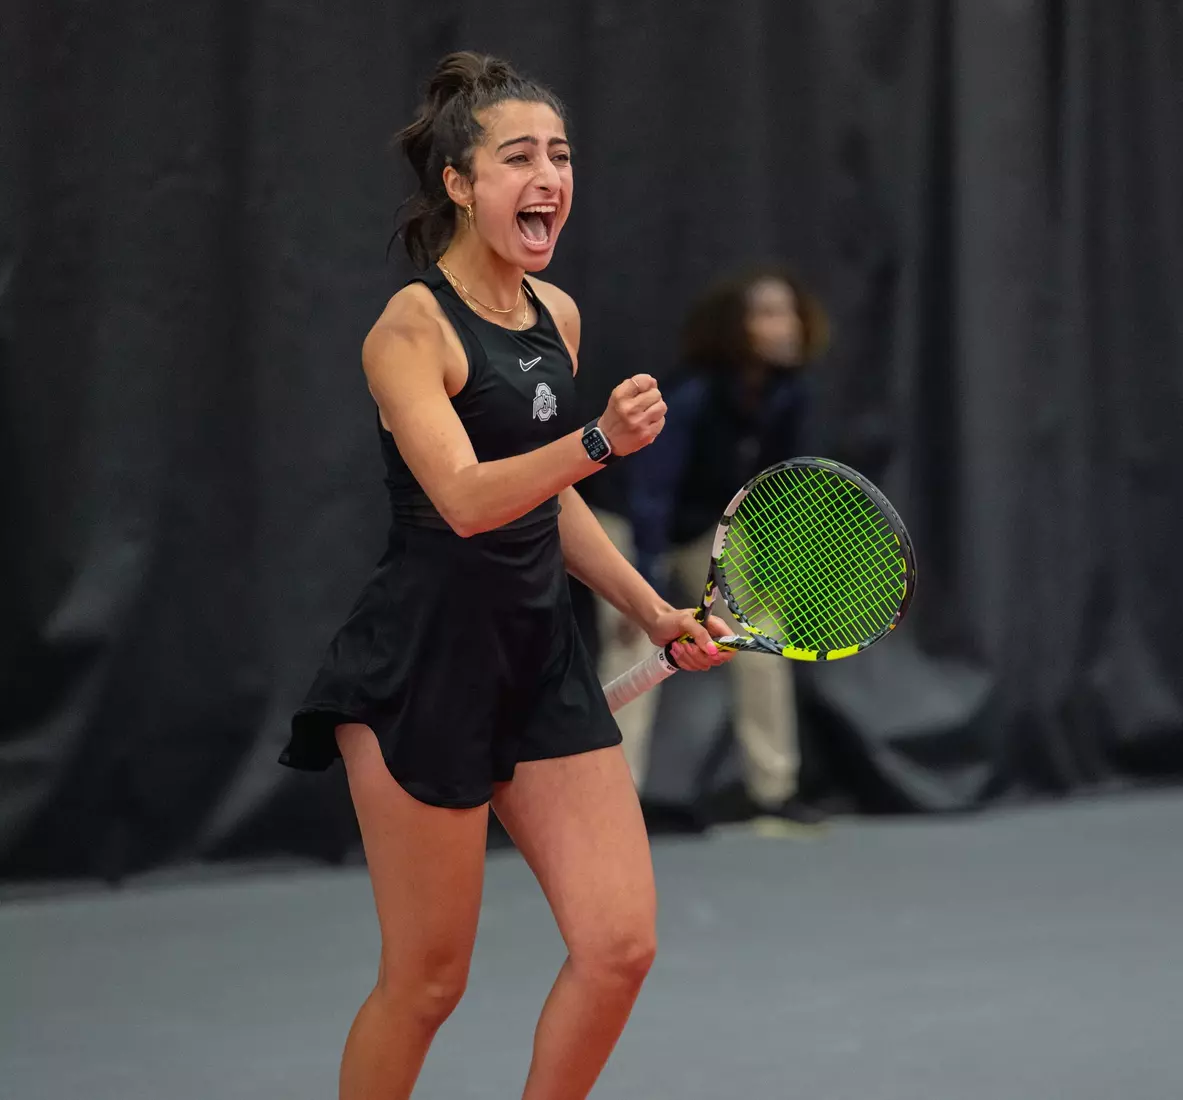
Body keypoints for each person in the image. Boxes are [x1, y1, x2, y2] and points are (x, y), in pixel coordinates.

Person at [278, 52, 734, 1100]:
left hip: (540, 663)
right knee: (426, 983)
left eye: (560, 156)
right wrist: (598, 440)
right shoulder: (410, 327)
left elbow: (549, 495)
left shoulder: (555, 315)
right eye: (519, 157)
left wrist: (651, 609)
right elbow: (466, 498)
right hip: (421, 670)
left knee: (618, 947)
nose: (548, 178)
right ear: (459, 182)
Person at [627, 265, 830, 825]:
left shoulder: (788, 394)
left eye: (789, 312)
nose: (786, 325)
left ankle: (774, 792)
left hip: (712, 528)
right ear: (734, 326)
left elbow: (781, 487)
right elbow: (651, 489)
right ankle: (615, 799)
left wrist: (773, 563)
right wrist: (643, 577)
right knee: (634, 646)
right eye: (768, 313)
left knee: (762, 634)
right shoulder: (694, 392)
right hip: (630, 522)